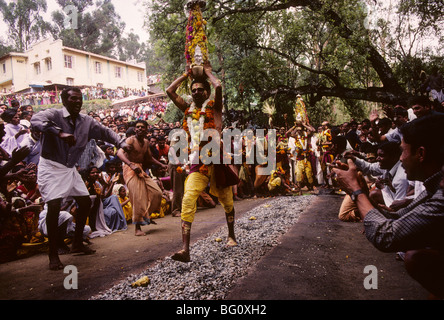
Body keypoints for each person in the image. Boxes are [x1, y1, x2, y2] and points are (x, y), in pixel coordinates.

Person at [331, 113, 444, 299]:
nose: (401, 159)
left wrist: (356, 191)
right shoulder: (434, 186)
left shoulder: (441, 193)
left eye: (403, 151)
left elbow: (385, 236)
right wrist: (368, 204)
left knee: (415, 259)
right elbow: (401, 216)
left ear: (421, 153)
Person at [30, 86, 127, 271]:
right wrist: (58, 132)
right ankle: (53, 253)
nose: (77, 101)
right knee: (54, 206)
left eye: (79, 98)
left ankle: (76, 244)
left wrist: (121, 142)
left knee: (85, 202)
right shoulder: (54, 114)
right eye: (73, 98)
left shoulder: (86, 121)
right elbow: (36, 120)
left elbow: (105, 131)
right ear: (64, 100)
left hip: (69, 168)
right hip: (50, 166)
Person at [166, 61, 237, 262]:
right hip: (197, 162)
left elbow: (219, 87)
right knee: (188, 198)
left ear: (207, 92)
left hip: (216, 160)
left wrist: (206, 73)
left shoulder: (214, 108)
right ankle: (185, 250)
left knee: (227, 201)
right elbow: (170, 91)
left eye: (200, 90)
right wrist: (186, 75)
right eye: (194, 90)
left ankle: (231, 235)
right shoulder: (187, 109)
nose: (197, 93)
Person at [116, 120, 166, 236]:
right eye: (137, 127)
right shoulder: (130, 140)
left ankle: (145, 216)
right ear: (135, 129)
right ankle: (137, 228)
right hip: (129, 169)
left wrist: (161, 164)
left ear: (146, 130)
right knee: (137, 197)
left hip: (140, 169)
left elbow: (149, 158)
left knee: (157, 192)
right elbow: (119, 153)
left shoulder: (146, 142)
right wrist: (131, 164)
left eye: (142, 127)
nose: (139, 129)